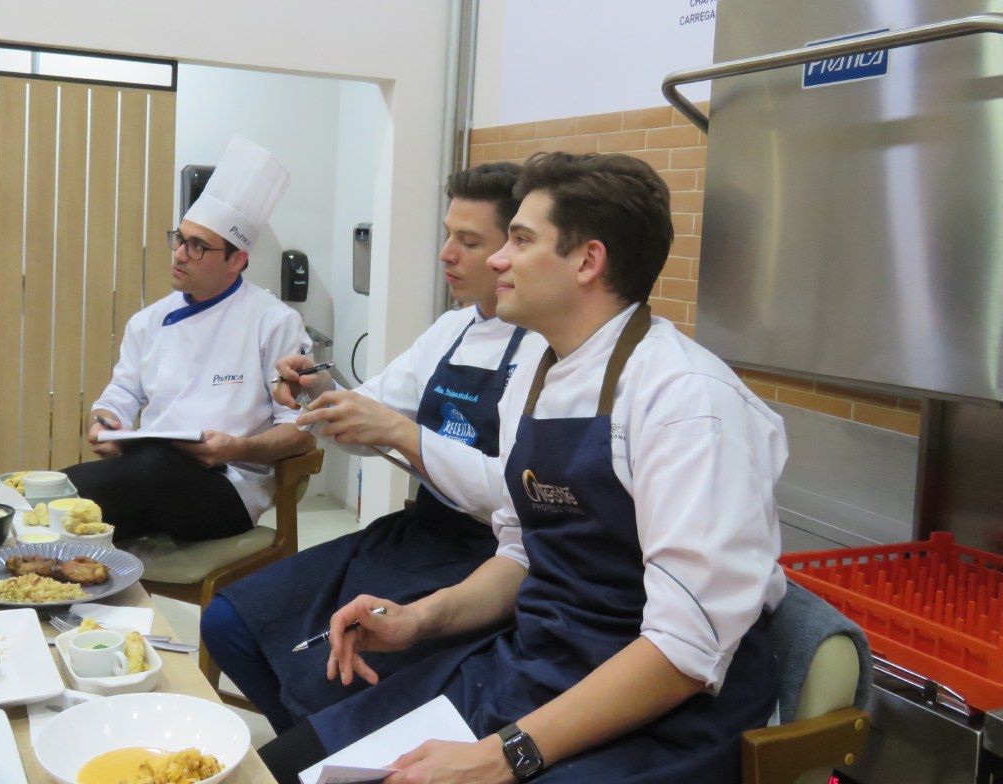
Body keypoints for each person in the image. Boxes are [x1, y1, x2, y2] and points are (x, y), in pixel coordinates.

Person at [259, 151, 788, 784]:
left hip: (658, 712)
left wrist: (500, 756)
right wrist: (419, 619)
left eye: (519, 240)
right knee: (288, 766)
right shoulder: (536, 378)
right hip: (539, 664)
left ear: (587, 261)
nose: (497, 261)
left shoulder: (688, 403)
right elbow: (523, 554)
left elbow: (683, 650)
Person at [201, 163, 545, 731]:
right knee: (229, 623)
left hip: (483, 558)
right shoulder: (452, 330)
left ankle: (318, 744)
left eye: (469, 242)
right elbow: (371, 413)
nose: (446, 254)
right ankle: (308, 741)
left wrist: (401, 433)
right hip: (420, 532)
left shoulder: (543, 351)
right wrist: (320, 393)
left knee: (341, 673)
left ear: (514, 251)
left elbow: (515, 497)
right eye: (448, 235)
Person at [65, 136, 314, 541]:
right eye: (179, 239)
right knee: (62, 492)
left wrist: (235, 448)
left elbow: (299, 430)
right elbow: (120, 395)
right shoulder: (148, 321)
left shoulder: (274, 322)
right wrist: (103, 422)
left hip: (229, 486)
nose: (179, 254)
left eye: (198, 247)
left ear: (237, 260)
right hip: (148, 475)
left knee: (137, 475)